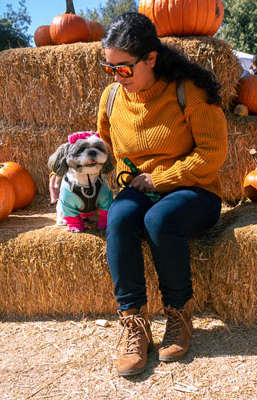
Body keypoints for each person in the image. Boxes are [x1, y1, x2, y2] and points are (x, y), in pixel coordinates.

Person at [97, 12, 227, 377]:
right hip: (142, 187)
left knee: (159, 220)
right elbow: (110, 148)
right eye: (110, 69)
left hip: (194, 189)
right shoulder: (111, 99)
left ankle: (178, 314)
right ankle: (133, 323)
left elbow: (212, 153)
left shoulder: (189, 91)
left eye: (124, 69)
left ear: (151, 59)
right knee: (120, 218)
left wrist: (160, 178)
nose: (116, 77)